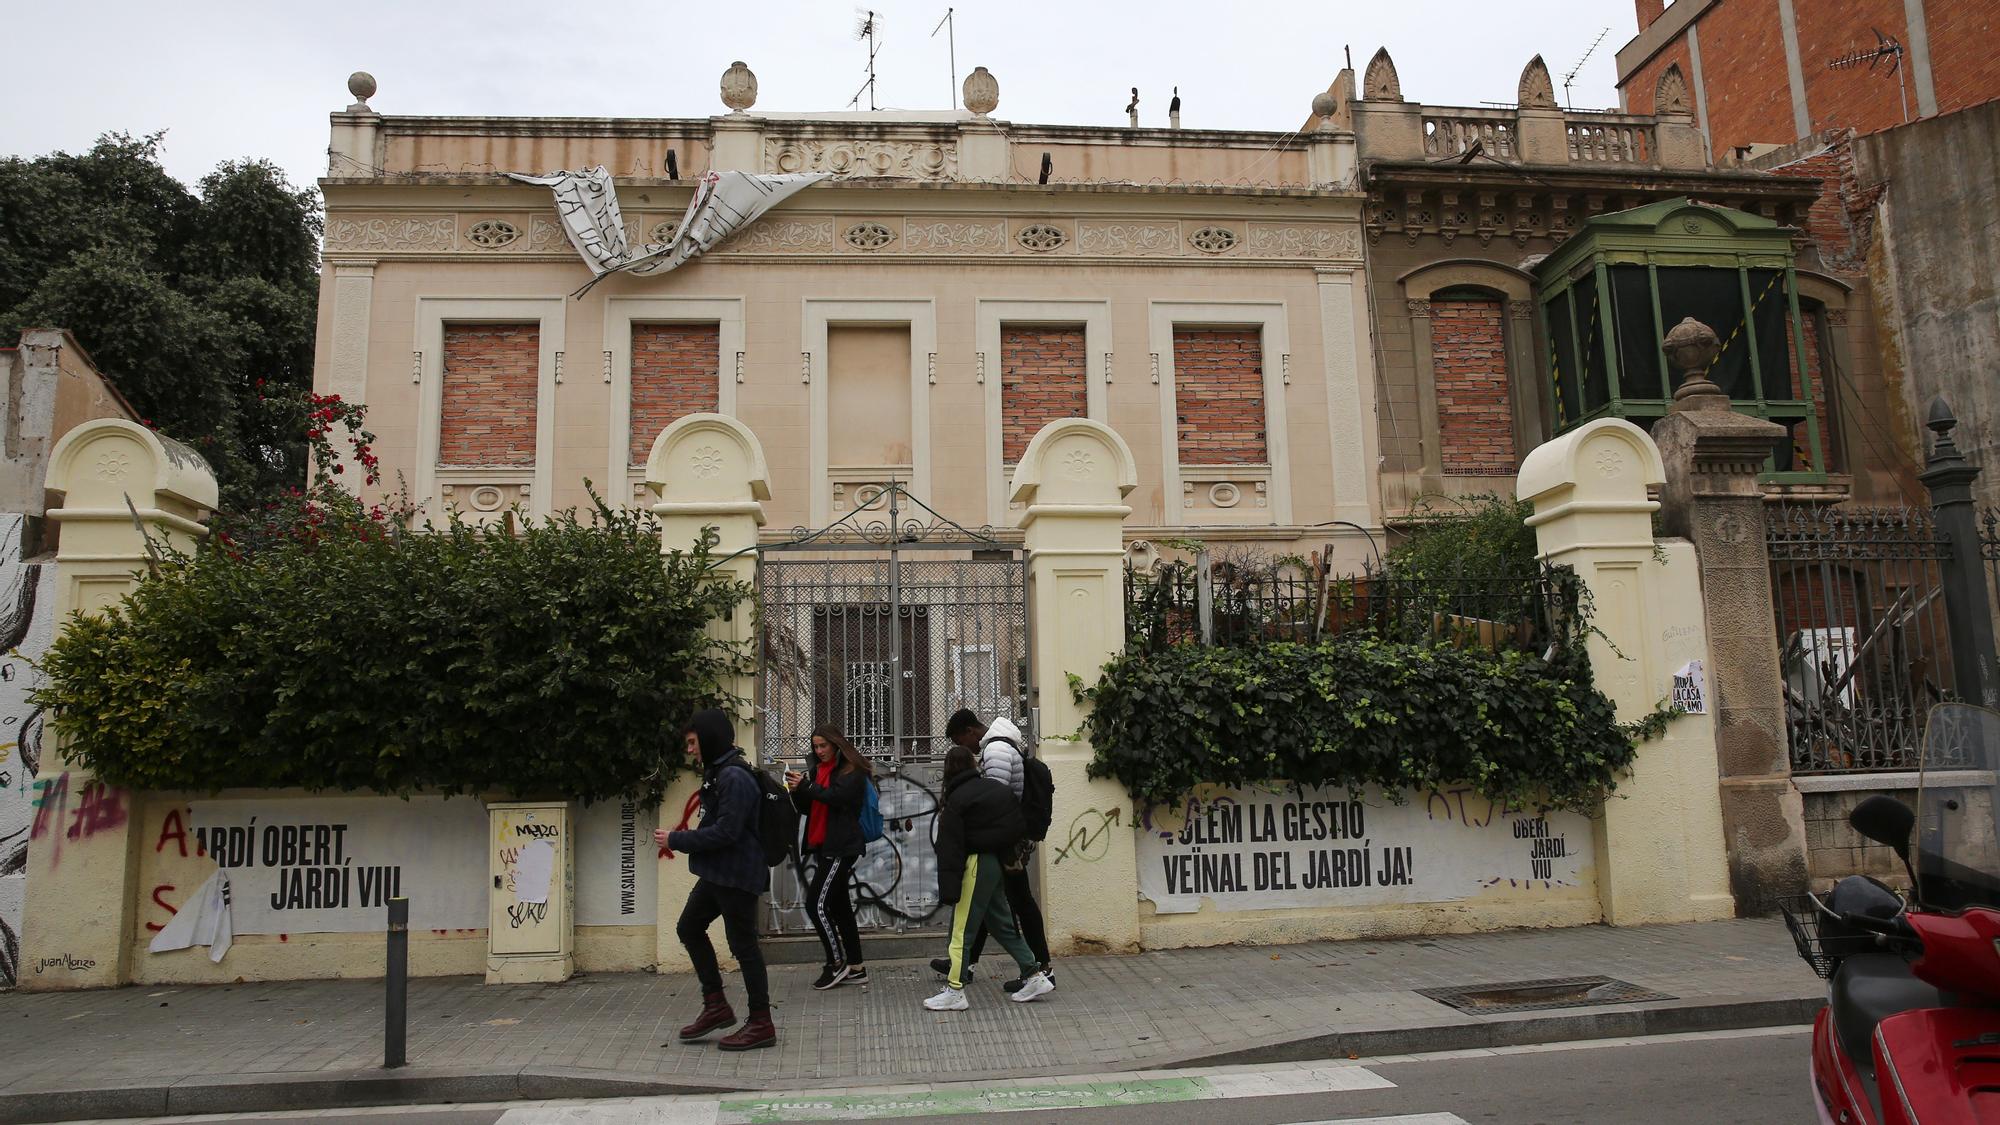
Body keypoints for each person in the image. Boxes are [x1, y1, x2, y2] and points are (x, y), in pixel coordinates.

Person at [654, 708, 776, 1051]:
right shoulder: (719, 773)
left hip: (737, 875)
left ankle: (761, 1022)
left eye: (693, 743)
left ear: (708, 739)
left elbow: (728, 832)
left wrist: (677, 840)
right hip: (717, 873)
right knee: (689, 928)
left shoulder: (734, 778)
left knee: (744, 948)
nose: (690, 750)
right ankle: (716, 1006)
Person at [928, 708, 1052, 994]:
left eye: (962, 741)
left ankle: (1041, 969)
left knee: (1017, 903)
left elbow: (991, 803)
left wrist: (978, 838)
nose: (965, 749)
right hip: (1005, 838)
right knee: (992, 907)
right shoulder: (1000, 745)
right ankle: (970, 965)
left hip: (1002, 842)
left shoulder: (995, 750)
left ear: (971, 731)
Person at [785, 724, 870, 990]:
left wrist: (807, 786)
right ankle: (856, 967)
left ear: (836, 744)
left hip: (840, 846)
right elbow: (810, 807)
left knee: (816, 905)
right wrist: (797, 790)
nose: (819, 751)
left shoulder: (851, 770)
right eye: (816, 746)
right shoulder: (817, 770)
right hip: (824, 845)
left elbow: (838, 797)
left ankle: (836, 964)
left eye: (824, 746)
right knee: (840, 907)